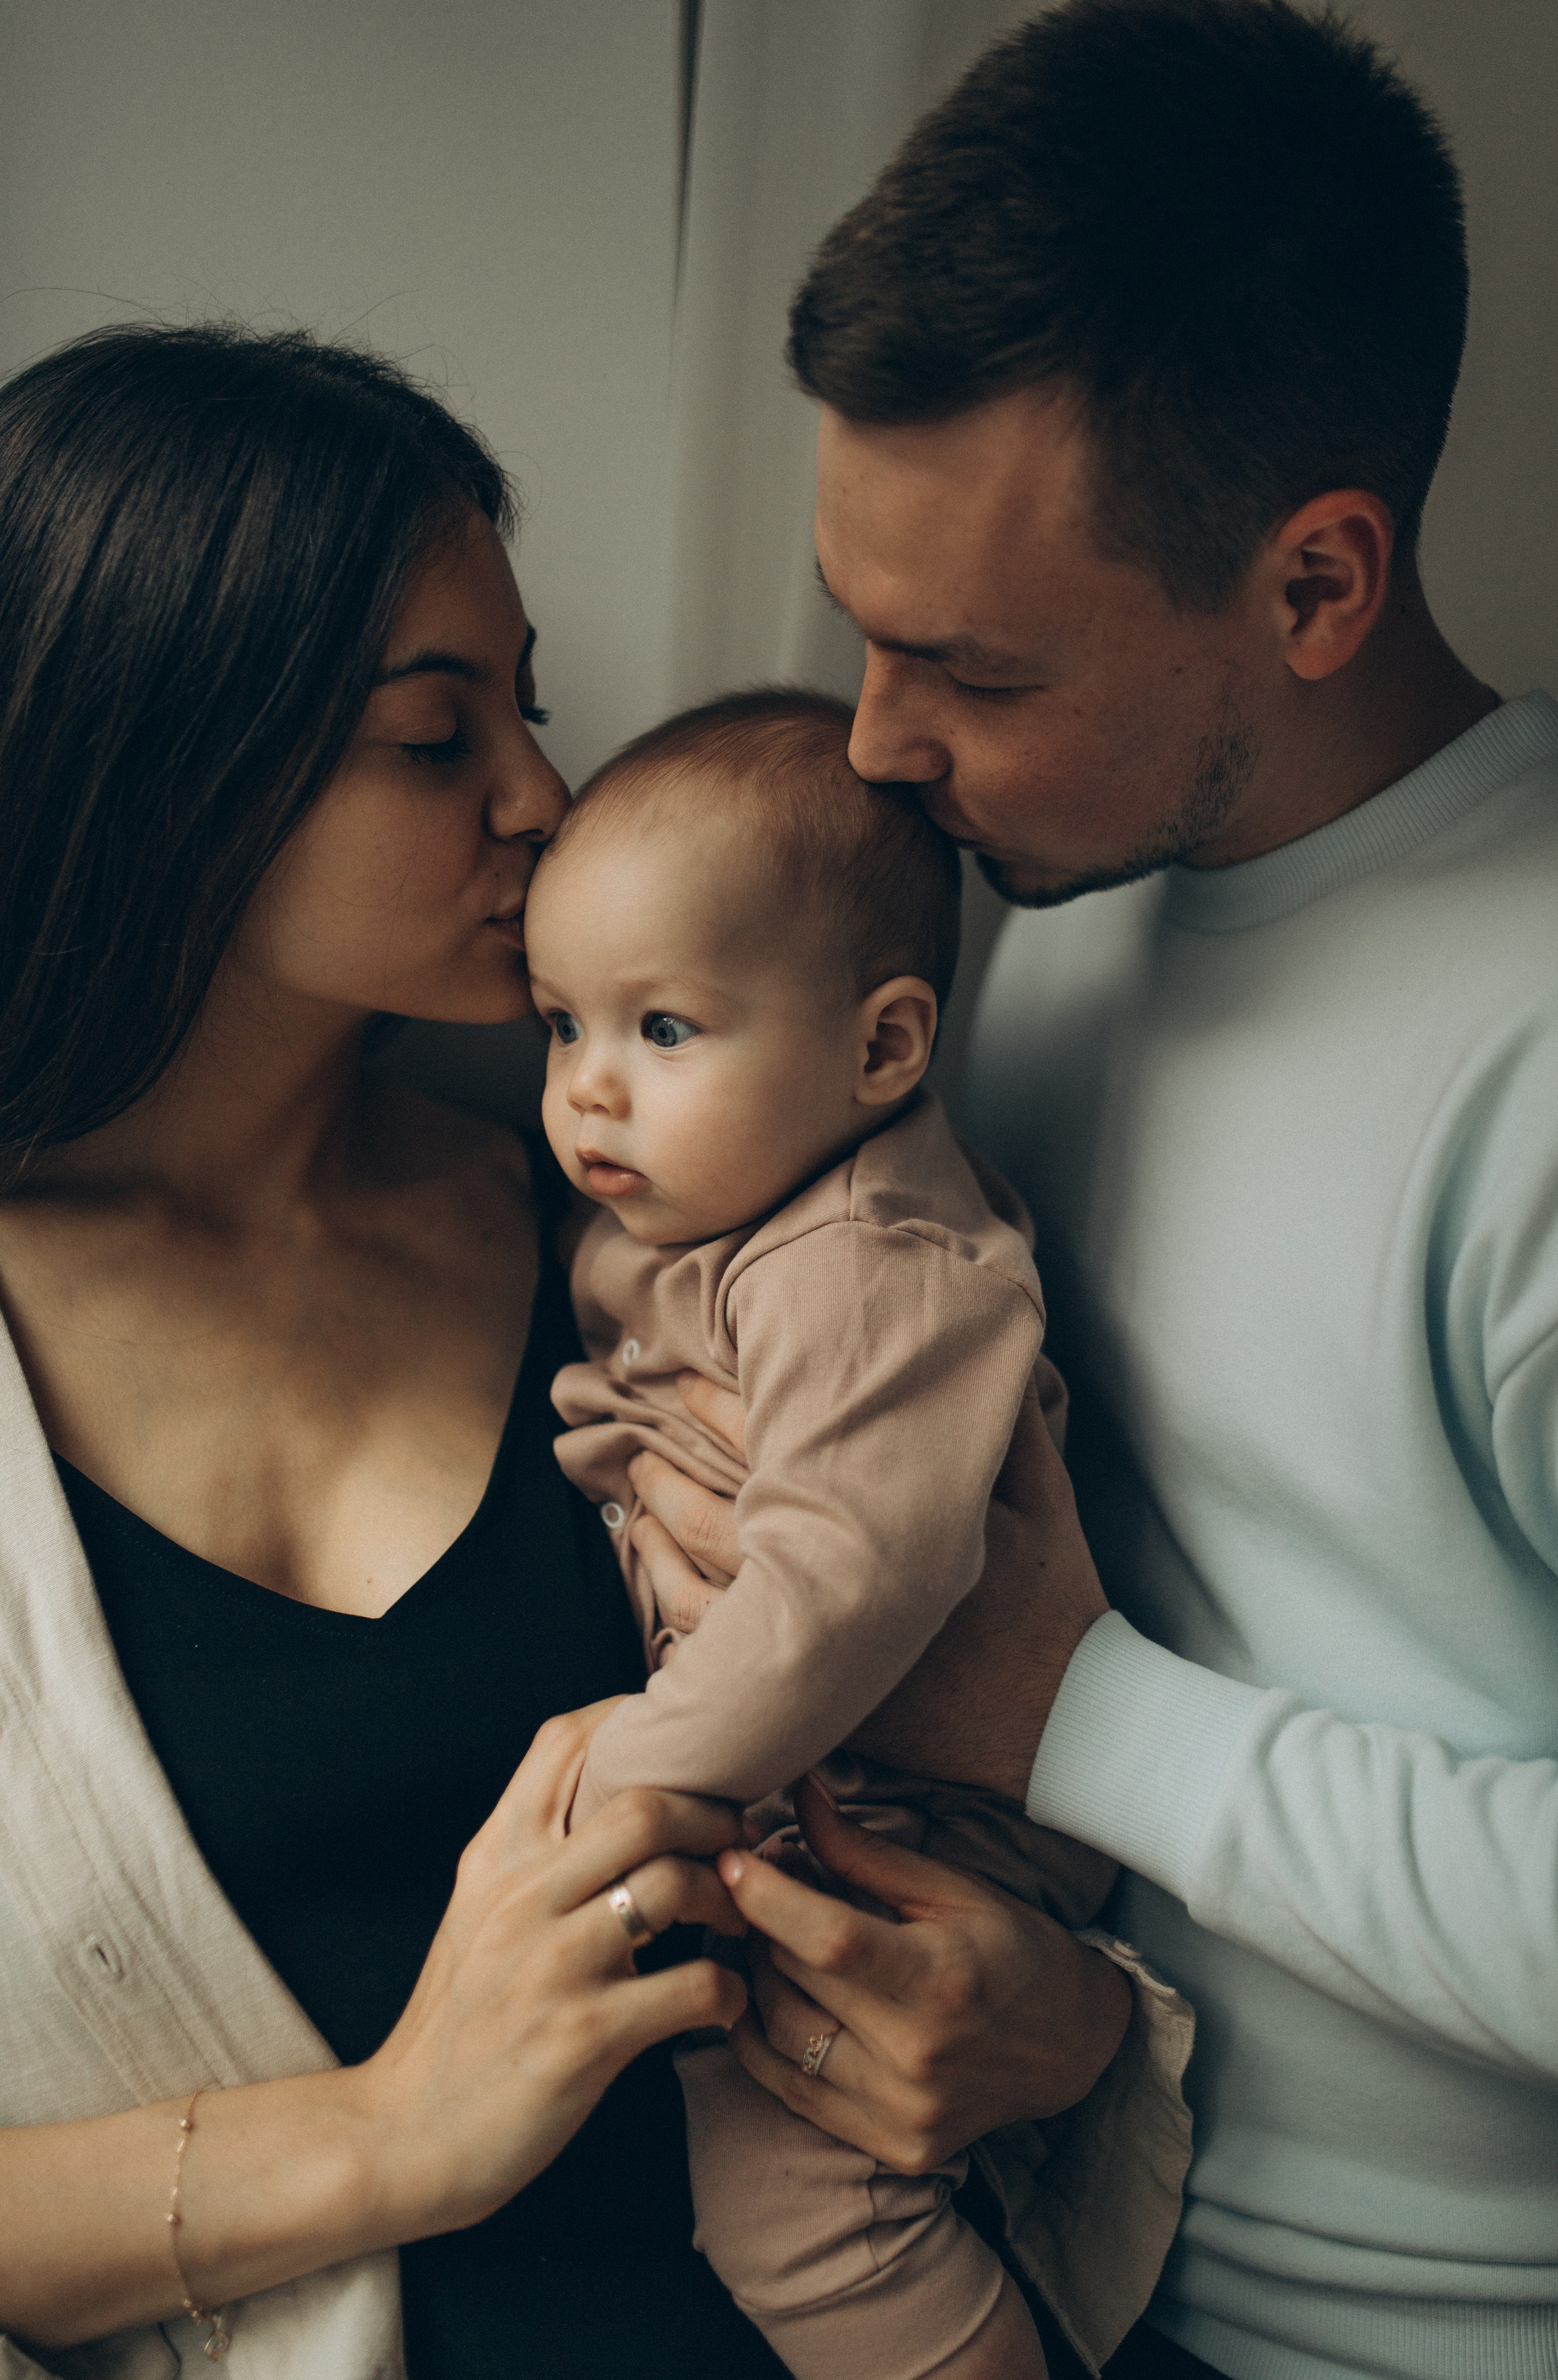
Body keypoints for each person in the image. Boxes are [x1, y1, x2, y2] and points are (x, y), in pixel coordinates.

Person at [621, 3, 1556, 2377]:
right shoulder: (1012, 898)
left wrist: (1071, 1717)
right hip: (1026, 2228)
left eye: (972, 667)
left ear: (1317, 585)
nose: (873, 741)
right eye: (859, 630)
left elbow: (1044, 1674)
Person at [0, 320, 796, 2379]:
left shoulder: (636, 1238)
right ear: (165, 769)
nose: (547, 797)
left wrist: (1034, 2001)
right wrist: (396, 2136)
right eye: (438, 739)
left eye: (530, 707)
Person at [527, 686, 1161, 2380]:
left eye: (664, 1029)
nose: (588, 1091)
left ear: (883, 1051)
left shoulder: (868, 1260)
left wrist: (626, 1787)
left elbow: (853, 1576)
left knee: (797, 2199)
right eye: (560, 1025)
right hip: (803, 1766)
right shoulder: (722, 1206)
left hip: (909, 1817)